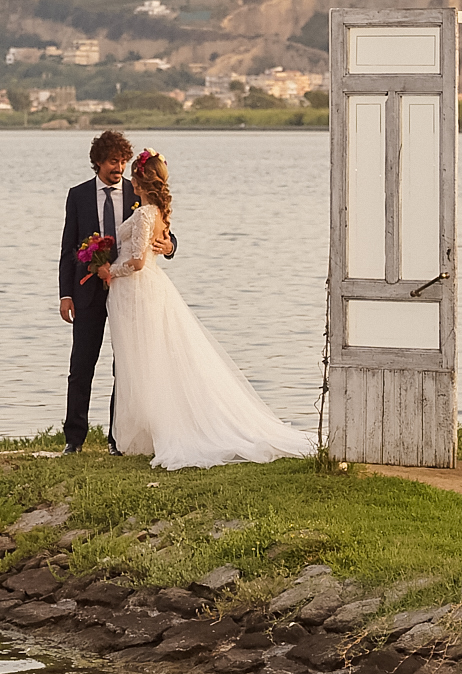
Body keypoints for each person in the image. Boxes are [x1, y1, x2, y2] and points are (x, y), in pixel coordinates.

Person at [98, 149, 316, 469]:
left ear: (141, 181)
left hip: (137, 290)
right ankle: (143, 431)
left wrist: (109, 273)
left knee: (145, 359)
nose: (129, 178)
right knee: (142, 360)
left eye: (134, 174)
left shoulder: (146, 213)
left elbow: (139, 261)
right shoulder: (151, 210)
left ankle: (158, 430)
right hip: (136, 292)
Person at [58, 131, 173, 454]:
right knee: (82, 364)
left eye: (123, 161)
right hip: (87, 291)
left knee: (125, 365)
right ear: (97, 162)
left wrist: (169, 245)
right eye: (113, 161)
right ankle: (74, 438)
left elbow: (163, 233)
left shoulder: (138, 193)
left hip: (129, 291)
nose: (119, 167)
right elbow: (68, 249)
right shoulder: (78, 195)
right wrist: (65, 294)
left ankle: (117, 438)